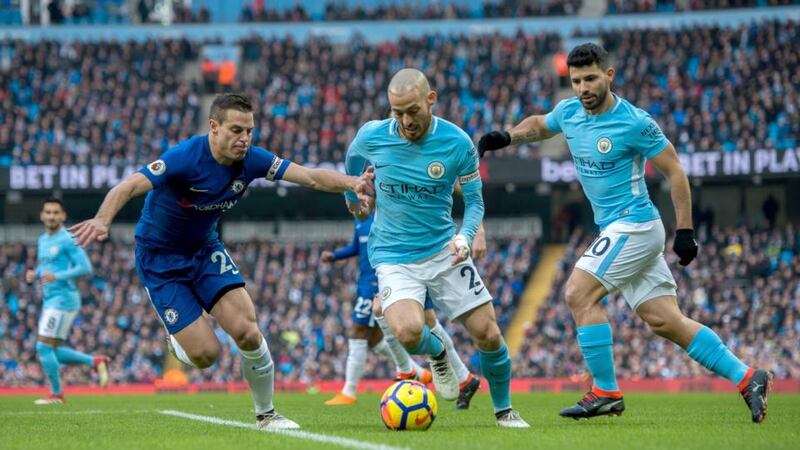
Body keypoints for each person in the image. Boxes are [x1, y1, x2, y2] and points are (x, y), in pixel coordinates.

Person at [478, 43, 772, 423]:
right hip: (618, 229)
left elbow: (676, 171)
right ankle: (749, 377)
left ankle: (605, 390)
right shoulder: (569, 111)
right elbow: (540, 123)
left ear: (609, 76)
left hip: (635, 224)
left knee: (577, 292)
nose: (583, 88)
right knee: (665, 320)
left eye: (590, 79)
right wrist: (506, 136)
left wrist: (685, 232)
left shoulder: (635, 122)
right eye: (576, 81)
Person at [69, 93, 373, 429]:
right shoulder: (185, 157)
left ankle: (266, 414)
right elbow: (129, 185)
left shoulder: (253, 160)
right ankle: (178, 338)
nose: (245, 139)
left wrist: (352, 182)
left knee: (247, 331)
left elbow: (311, 177)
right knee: (205, 355)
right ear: (213, 127)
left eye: (250, 131)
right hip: (160, 260)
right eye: (236, 130)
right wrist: (102, 219)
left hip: (204, 249)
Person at [344, 68, 528, 427]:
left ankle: (504, 410)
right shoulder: (373, 135)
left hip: (443, 249)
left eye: (412, 110)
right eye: (396, 112)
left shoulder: (457, 143)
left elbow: (474, 202)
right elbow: (350, 167)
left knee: (489, 334)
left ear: (431, 100)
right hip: (393, 255)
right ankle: (439, 352)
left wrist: (466, 234)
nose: (405, 121)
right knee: (410, 334)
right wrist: (354, 196)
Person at [321, 210, 481, 410]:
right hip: (384, 278)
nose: (356, 200)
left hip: (392, 277)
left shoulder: (391, 210)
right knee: (384, 333)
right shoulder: (360, 218)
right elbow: (358, 246)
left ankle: (366, 384)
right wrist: (335, 256)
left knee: (364, 330)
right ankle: (459, 377)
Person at [25, 198, 109, 405]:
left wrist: (58, 276)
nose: (51, 216)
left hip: (63, 300)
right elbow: (48, 267)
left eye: (56, 213)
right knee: (51, 350)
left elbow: (85, 268)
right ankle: (95, 361)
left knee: (43, 348)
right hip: (50, 300)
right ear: (42, 216)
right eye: (48, 212)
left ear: (62, 216)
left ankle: (57, 395)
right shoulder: (43, 239)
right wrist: (34, 274)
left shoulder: (67, 239)